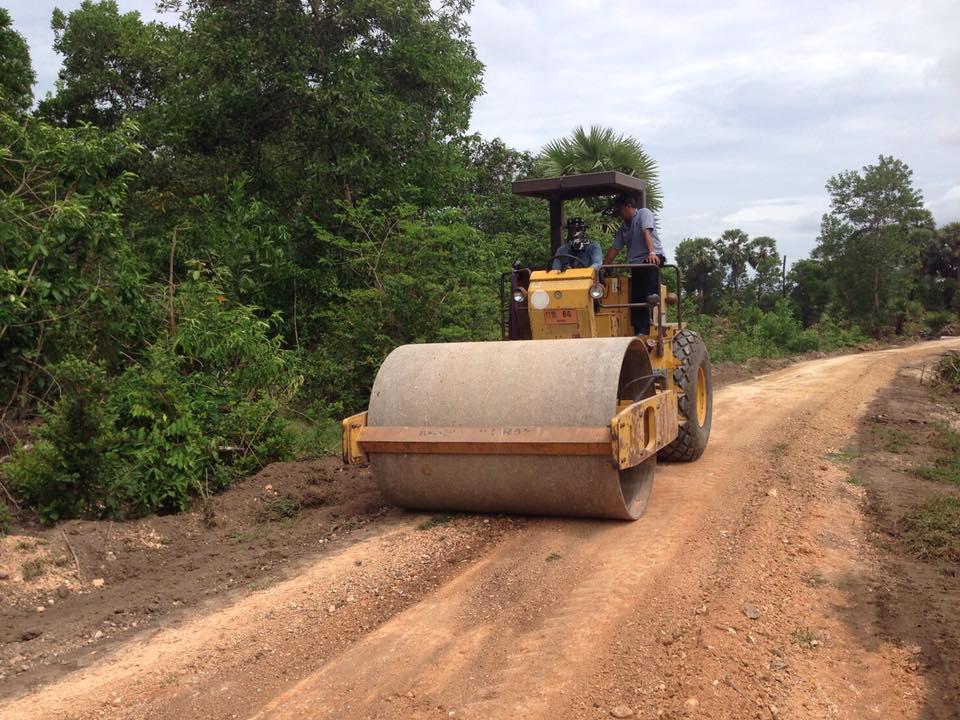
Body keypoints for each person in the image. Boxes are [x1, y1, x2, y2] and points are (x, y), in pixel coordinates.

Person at [603, 194, 667, 335]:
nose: (619, 214)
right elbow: (614, 249)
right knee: (636, 298)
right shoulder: (623, 228)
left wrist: (652, 252)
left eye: (620, 210)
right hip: (637, 264)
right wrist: (603, 267)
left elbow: (646, 232)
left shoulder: (644, 213)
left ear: (629, 206)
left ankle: (653, 294)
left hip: (653, 257)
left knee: (650, 265)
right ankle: (641, 331)